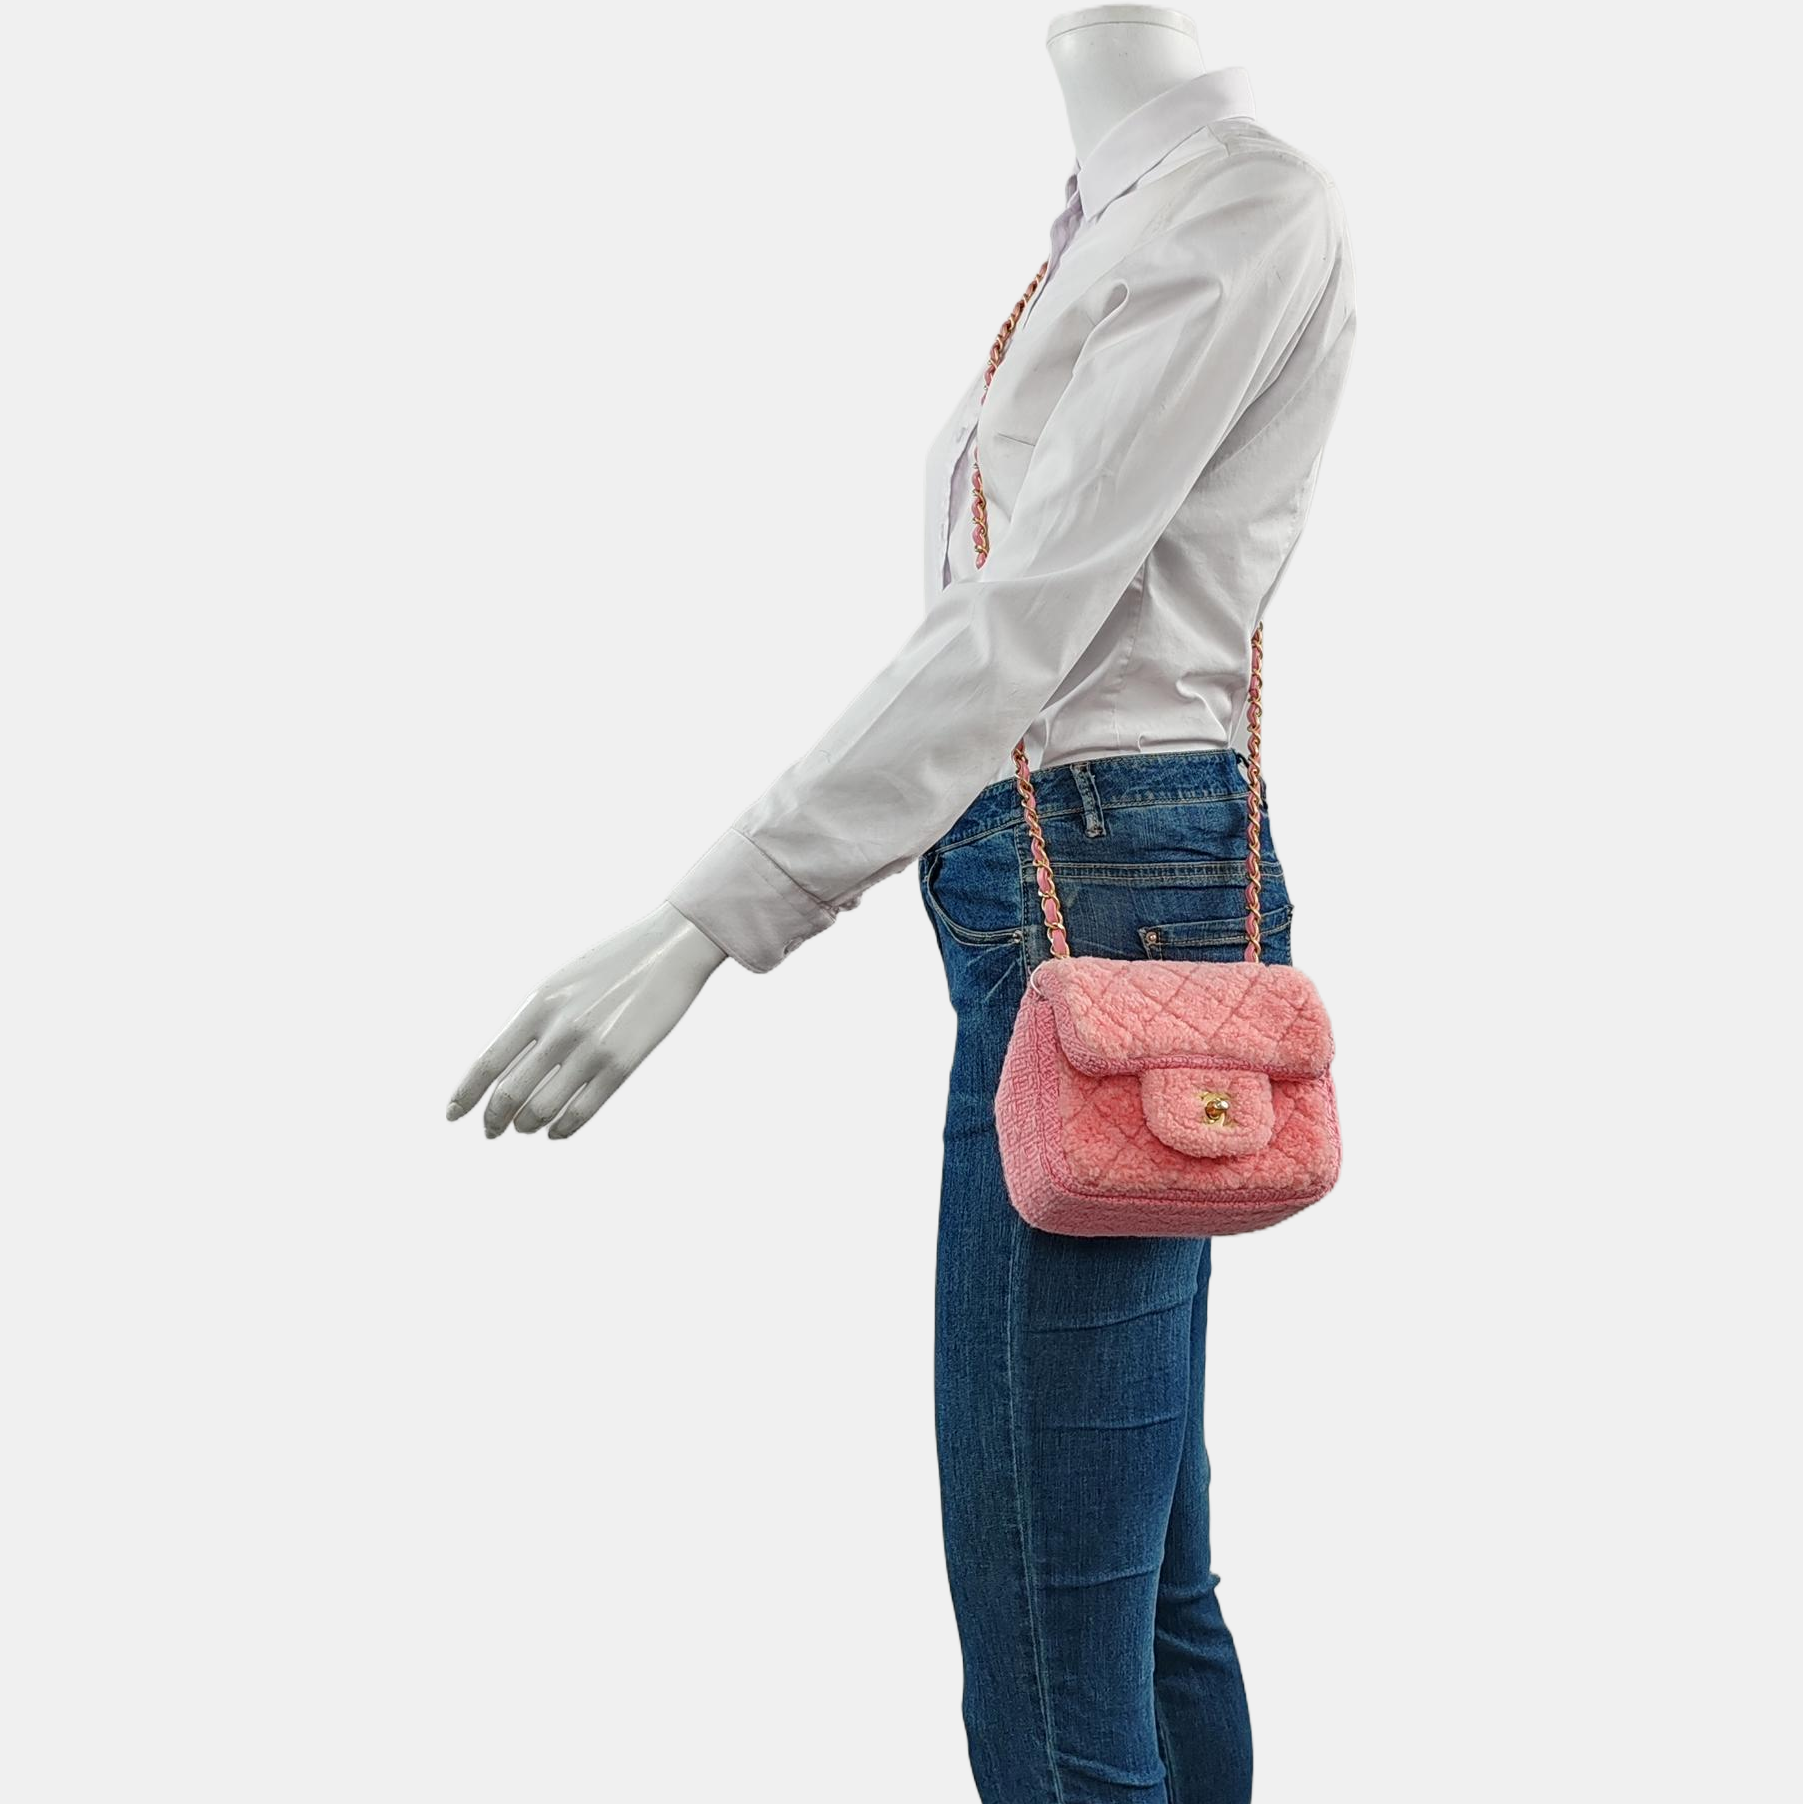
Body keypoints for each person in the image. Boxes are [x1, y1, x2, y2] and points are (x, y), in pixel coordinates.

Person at [449, 15, 1355, 1801]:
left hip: (1106, 877)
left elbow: (1023, 621)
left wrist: (711, 917)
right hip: (1107, 874)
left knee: (1054, 1628)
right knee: (1133, 1594)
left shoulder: (1234, 203)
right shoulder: (1124, 211)